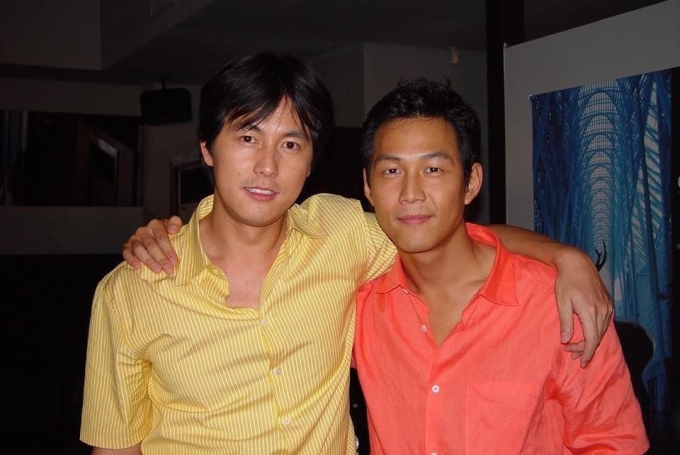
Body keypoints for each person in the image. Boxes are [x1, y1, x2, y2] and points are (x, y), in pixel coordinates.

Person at [86, 52, 611, 455]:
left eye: (291, 144)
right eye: (247, 137)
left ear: (312, 159)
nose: (267, 166)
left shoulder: (340, 236)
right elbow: (115, 447)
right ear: (207, 147)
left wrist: (566, 257)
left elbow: (446, 231)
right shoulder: (131, 290)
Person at [353, 78, 648, 454]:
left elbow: (612, 441)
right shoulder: (359, 302)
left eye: (433, 169)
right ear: (368, 186)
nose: (411, 194)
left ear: (471, 182)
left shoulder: (557, 303)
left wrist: (566, 258)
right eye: (391, 171)